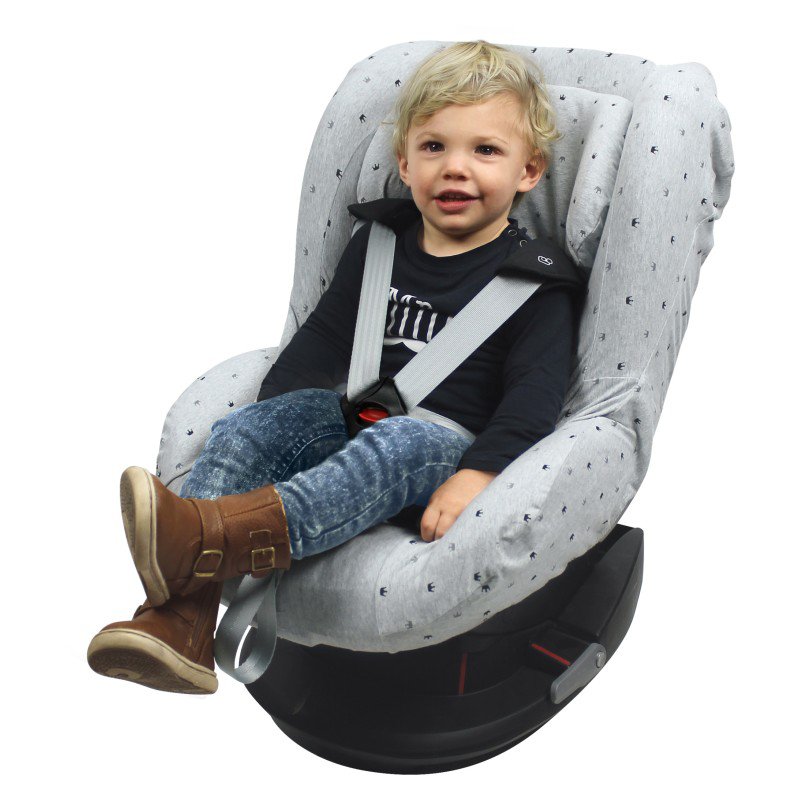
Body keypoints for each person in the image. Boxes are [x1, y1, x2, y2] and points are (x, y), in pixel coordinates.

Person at [87, 40, 580, 695]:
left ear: (529, 171)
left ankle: (199, 541)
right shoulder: (378, 244)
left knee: (400, 442)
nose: (455, 168)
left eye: (485, 150)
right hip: (353, 422)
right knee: (249, 427)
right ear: (404, 162)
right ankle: (181, 626)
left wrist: (477, 476)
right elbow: (319, 343)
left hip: (444, 453)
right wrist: (280, 429)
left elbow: (533, 399)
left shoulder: (535, 283)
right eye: (434, 147)